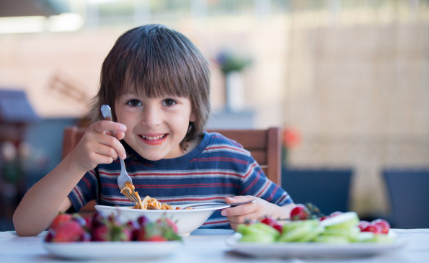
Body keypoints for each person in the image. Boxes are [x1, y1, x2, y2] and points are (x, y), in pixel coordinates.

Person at [13, 24, 295, 236]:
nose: (151, 119)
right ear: (110, 108)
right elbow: (26, 226)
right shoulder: (107, 162)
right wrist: (75, 163)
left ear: (194, 109)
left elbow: (297, 214)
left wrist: (269, 213)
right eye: (134, 102)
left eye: (169, 102)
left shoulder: (229, 159)